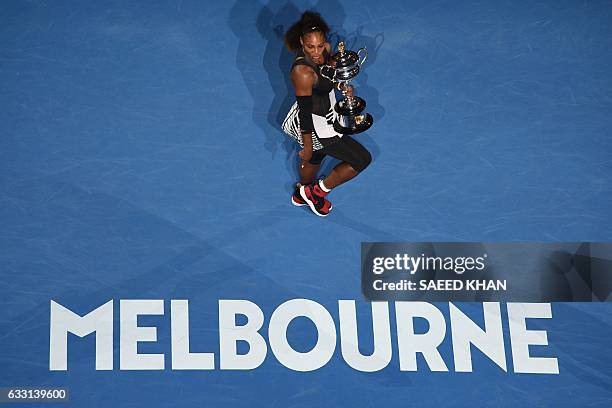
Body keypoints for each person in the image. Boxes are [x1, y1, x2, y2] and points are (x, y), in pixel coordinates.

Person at [282, 11, 372, 217]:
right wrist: (306, 145)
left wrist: (342, 86)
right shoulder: (302, 72)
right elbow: (305, 112)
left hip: (329, 110)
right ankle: (315, 192)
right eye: (311, 47)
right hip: (317, 124)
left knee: (316, 158)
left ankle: (301, 193)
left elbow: (330, 75)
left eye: (320, 45)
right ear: (301, 44)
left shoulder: (326, 51)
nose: (316, 52)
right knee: (361, 159)